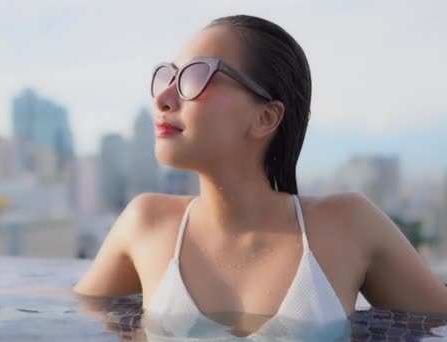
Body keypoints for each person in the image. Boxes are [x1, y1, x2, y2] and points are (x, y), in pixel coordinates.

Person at [74, 14, 447, 338]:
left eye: (195, 77)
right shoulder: (145, 224)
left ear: (266, 117)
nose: (163, 98)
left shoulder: (348, 225)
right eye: (167, 76)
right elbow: (73, 322)